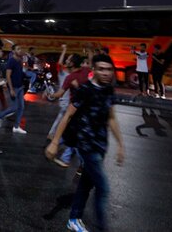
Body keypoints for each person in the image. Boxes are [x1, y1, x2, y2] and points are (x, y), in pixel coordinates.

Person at [45, 54, 125, 232]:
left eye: (109, 70)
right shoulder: (85, 90)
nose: (106, 73)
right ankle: (102, 227)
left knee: (86, 184)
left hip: (101, 145)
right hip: (86, 146)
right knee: (103, 187)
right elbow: (68, 115)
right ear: (94, 70)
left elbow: (111, 118)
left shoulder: (109, 90)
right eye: (102, 69)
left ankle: (74, 219)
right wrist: (55, 142)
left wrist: (120, 145)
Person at [0, 44, 27, 134]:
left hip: (20, 87)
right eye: (18, 49)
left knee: (21, 107)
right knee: (14, 107)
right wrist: (11, 89)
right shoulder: (11, 61)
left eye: (20, 48)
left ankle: (16, 126)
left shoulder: (19, 60)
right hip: (14, 87)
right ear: (13, 51)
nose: (20, 50)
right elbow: (8, 76)